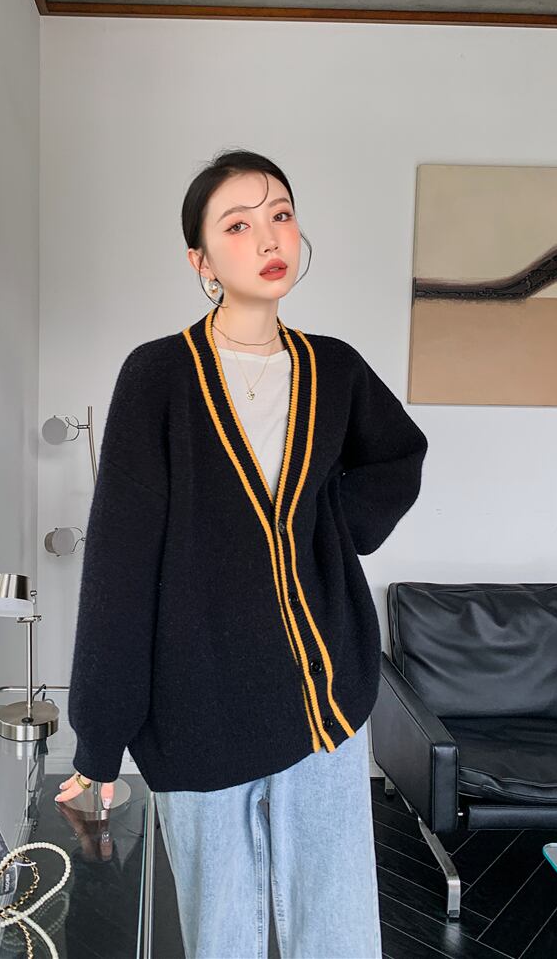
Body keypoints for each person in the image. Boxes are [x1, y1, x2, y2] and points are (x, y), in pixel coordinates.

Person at [56, 149, 429, 958]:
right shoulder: (158, 376)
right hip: (197, 713)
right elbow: (118, 568)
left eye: (281, 215)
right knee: (222, 934)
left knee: (337, 937)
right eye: (238, 225)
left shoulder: (333, 368)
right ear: (201, 260)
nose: (268, 237)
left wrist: (334, 528)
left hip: (325, 707)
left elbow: (398, 456)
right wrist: (100, 739)